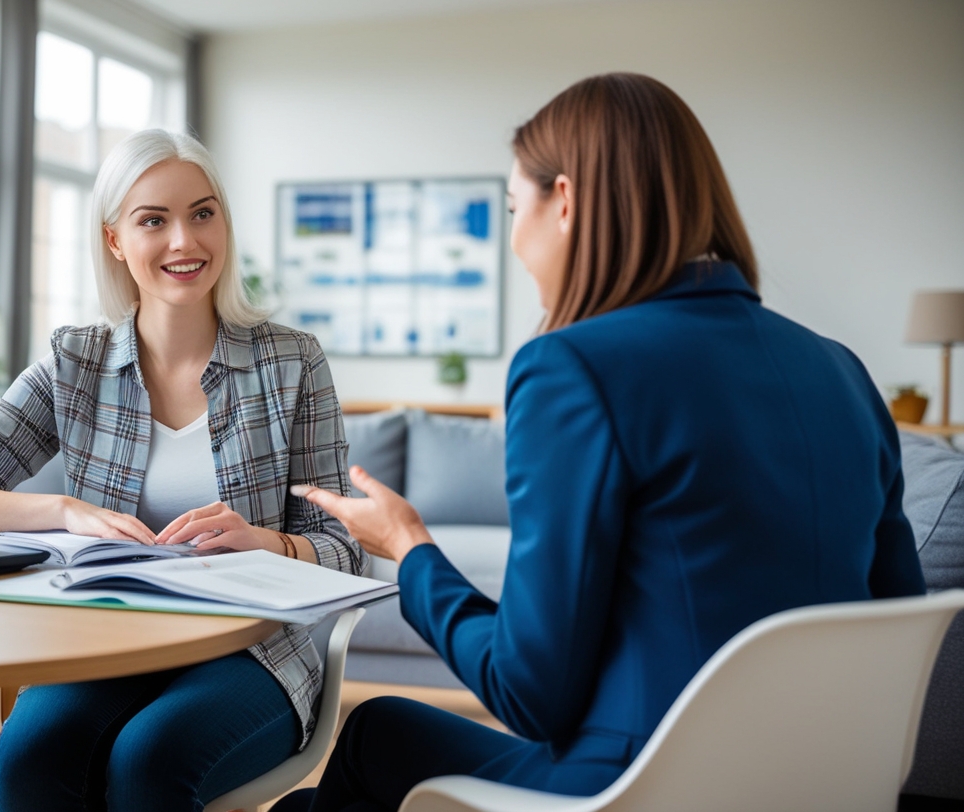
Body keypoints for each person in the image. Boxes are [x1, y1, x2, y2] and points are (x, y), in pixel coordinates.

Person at [275, 73, 927, 811]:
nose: (517, 245)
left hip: (642, 787)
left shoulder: (572, 368)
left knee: (373, 732)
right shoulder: (841, 370)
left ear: (567, 202)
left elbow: (528, 694)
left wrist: (411, 548)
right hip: (821, 785)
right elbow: (893, 615)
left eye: (516, 210)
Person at [0, 128, 367, 811]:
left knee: (150, 762)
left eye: (202, 213)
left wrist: (268, 542)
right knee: (31, 759)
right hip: (104, 645)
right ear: (116, 239)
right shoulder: (75, 364)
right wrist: (60, 510)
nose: (185, 242)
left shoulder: (291, 363)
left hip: (252, 653)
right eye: (155, 220)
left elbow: (347, 550)